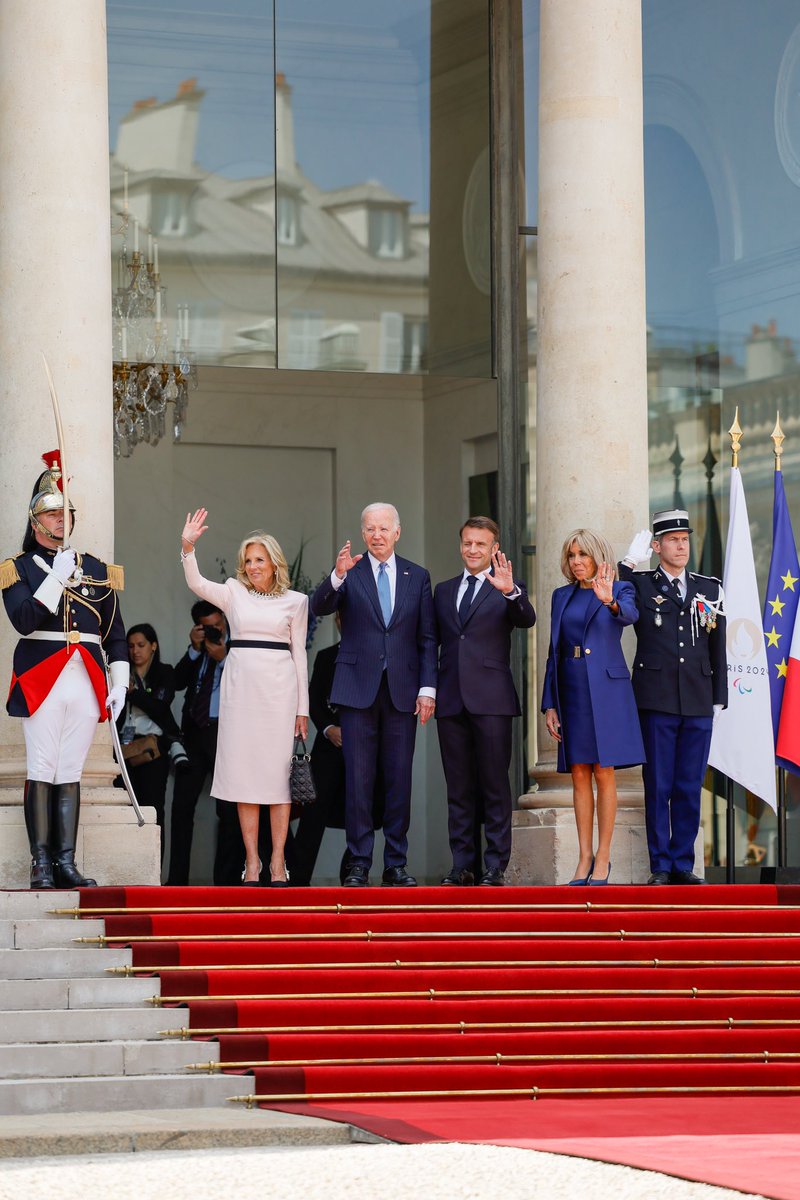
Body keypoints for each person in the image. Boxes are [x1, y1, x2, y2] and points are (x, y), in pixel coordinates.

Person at [0, 450, 128, 889]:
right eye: (52, 514)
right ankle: (40, 863)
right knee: (41, 766)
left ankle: (66, 862)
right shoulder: (17, 569)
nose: (60, 520)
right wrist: (55, 577)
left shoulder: (95, 569)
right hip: (44, 676)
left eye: (64, 513)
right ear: (35, 522)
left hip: (86, 677)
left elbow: (115, 633)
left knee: (69, 770)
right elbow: (24, 621)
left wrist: (122, 681)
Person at [310, 503, 437, 887]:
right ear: (362, 533)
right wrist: (336, 576)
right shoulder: (350, 572)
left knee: (399, 780)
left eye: (384, 528)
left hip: (402, 690)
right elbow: (318, 606)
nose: (377, 535)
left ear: (398, 532)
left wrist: (428, 689)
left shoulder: (418, 576)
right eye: (370, 529)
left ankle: (396, 863)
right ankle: (359, 863)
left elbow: (427, 637)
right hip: (356, 690)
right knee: (359, 781)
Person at [180, 508, 309, 886]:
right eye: (248, 560)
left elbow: (299, 654)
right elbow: (197, 583)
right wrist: (188, 547)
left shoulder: (296, 601)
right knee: (245, 778)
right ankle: (252, 862)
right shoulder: (233, 593)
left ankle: (278, 861)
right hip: (240, 695)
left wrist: (302, 708)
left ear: (273, 563)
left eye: (259, 559)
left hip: (280, 694)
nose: (253, 566)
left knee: (279, 780)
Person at [619, 510, 727, 885]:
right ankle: (660, 865)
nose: (681, 546)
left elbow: (718, 645)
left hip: (697, 697)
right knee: (659, 784)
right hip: (657, 697)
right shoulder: (643, 583)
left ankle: (683, 862)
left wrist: (719, 696)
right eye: (672, 540)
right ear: (657, 546)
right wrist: (628, 563)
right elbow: (620, 596)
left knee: (688, 784)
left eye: (685, 539)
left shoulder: (708, 588)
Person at [434, 516, 536, 886]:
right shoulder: (443, 591)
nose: (472, 550)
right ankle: (463, 864)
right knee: (458, 788)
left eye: (480, 544)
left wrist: (511, 592)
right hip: (450, 700)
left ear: (494, 549)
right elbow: (435, 642)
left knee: (494, 785)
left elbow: (527, 619)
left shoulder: (507, 587)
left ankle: (495, 866)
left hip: (492, 700)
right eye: (467, 543)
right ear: (460, 545)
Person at [542, 529, 644, 886]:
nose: (577, 562)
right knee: (579, 772)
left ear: (598, 556)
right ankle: (583, 858)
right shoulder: (560, 596)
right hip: (570, 689)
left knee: (604, 771)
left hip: (605, 690)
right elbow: (553, 652)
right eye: (572, 555)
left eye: (583, 555)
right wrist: (549, 704)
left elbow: (630, 615)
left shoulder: (619, 589)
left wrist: (609, 601)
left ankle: (603, 858)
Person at [292, 615, 386, 886]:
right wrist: (328, 729)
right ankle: (298, 880)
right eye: (344, 616)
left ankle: (354, 875)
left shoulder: (378, 658)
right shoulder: (325, 656)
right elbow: (313, 699)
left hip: (367, 748)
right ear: (337, 621)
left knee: (365, 814)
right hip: (329, 748)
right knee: (313, 814)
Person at [165, 599, 231, 886]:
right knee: (181, 808)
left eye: (218, 626)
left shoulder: (238, 648)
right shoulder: (197, 650)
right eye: (208, 629)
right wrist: (194, 649)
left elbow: (252, 684)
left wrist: (223, 658)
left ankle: (226, 882)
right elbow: (176, 683)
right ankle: (177, 880)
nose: (215, 632)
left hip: (226, 734)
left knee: (228, 809)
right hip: (193, 733)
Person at [114, 623, 183, 848]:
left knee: (152, 810)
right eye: (131, 646)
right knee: (122, 811)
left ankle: (153, 873)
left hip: (152, 751)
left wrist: (134, 693)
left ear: (153, 646)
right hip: (123, 750)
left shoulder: (164, 672)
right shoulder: (120, 673)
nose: (135, 651)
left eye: (141, 645)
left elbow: (160, 707)